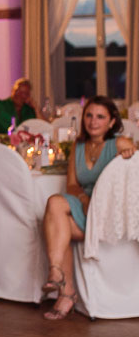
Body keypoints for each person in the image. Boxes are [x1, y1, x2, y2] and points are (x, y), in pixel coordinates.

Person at [40, 96, 135, 320]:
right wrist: (83, 200)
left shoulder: (120, 144)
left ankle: (65, 289)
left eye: (100, 117)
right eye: (89, 115)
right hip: (84, 203)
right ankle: (58, 274)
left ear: (111, 122)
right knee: (55, 204)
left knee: (55, 219)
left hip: (106, 211)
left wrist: (131, 154)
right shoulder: (79, 145)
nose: (93, 121)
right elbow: (72, 184)